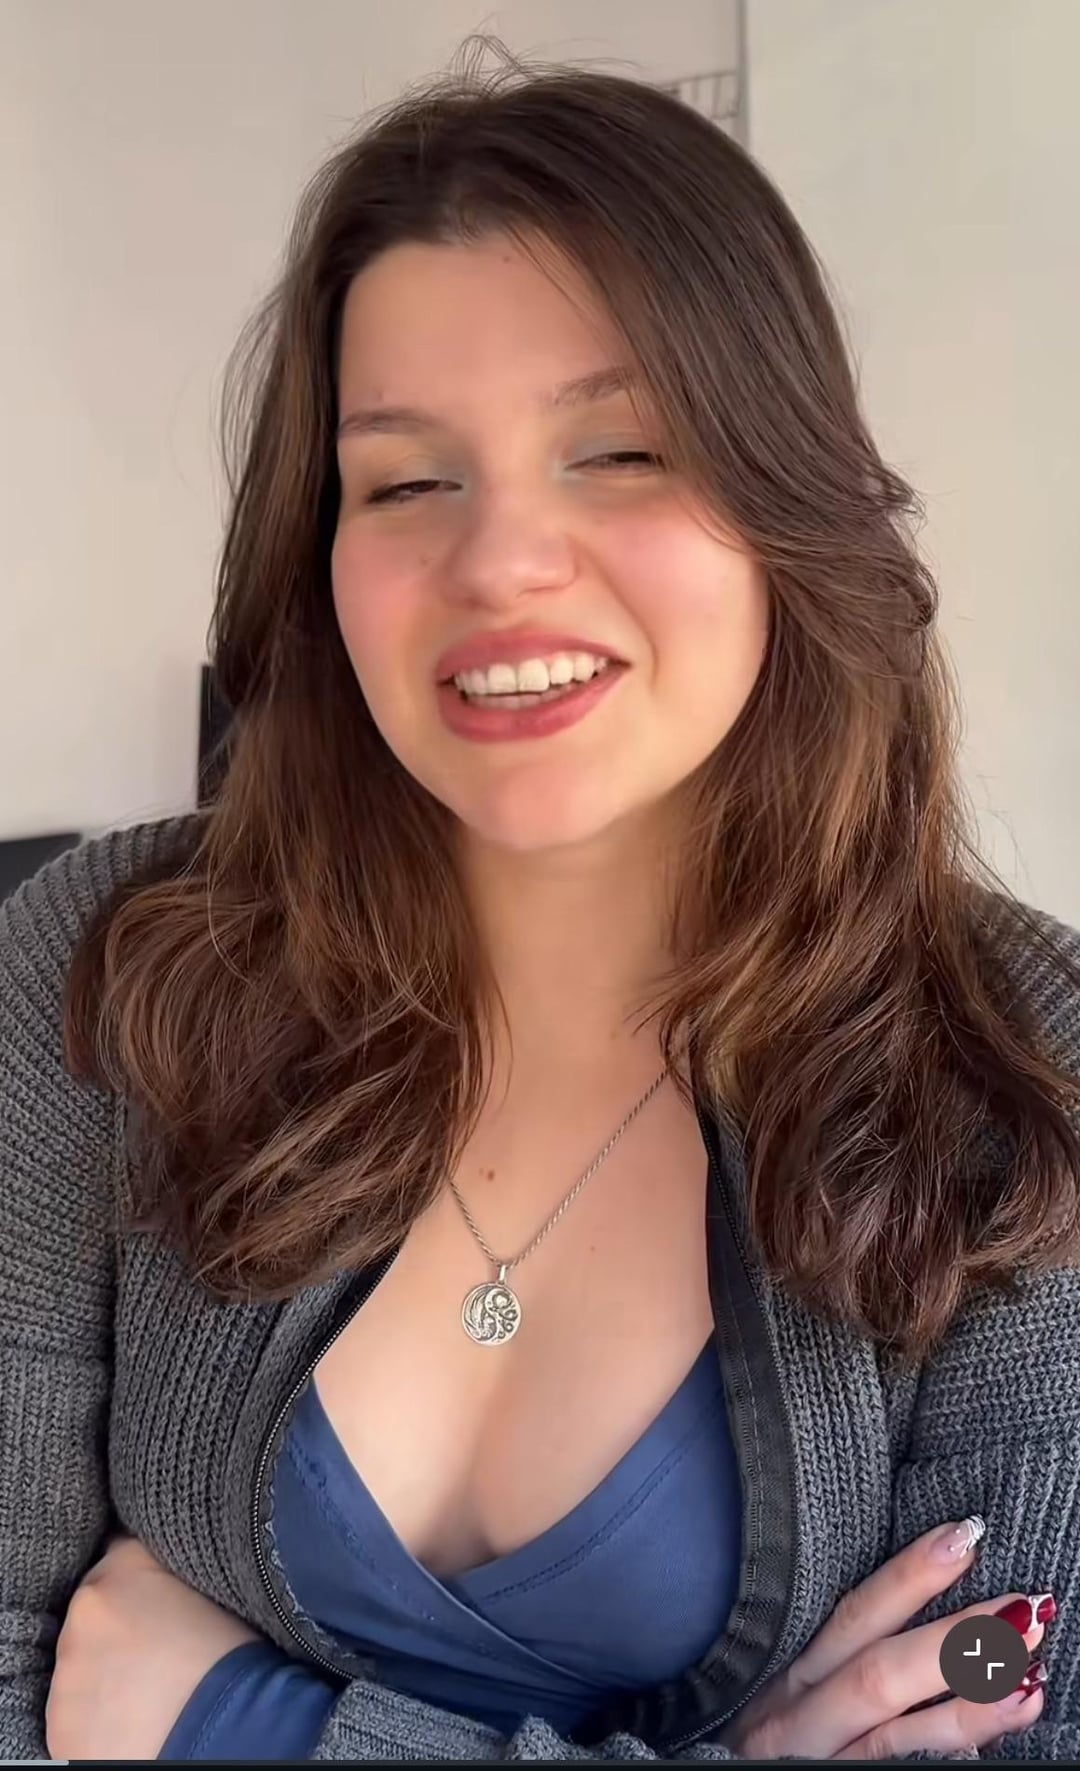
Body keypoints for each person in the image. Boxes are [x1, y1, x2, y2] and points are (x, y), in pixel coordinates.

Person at [3, 37, 1079, 1766]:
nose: (499, 563)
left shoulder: (1024, 1067)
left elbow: (1024, 1731)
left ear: (786, 498)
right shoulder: (106, 971)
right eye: (407, 481)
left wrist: (241, 1729)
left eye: (623, 452)